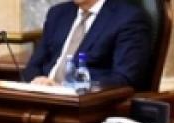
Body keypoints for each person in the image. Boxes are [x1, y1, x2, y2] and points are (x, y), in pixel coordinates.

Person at [21, 0, 153, 91]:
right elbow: (34, 65)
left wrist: (69, 88)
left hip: (87, 106)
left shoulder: (128, 18)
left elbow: (125, 78)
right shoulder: (58, 13)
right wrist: (37, 80)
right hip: (43, 96)